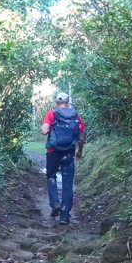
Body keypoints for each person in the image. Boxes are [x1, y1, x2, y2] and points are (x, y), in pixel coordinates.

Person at [41, 92, 85, 225]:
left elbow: (44, 131)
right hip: (69, 153)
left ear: (56, 103)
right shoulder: (75, 115)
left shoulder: (51, 114)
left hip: (53, 152)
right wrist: (79, 151)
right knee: (67, 183)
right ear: (68, 102)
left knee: (51, 176)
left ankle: (55, 203)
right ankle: (64, 216)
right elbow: (81, 136)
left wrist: (48, 127)